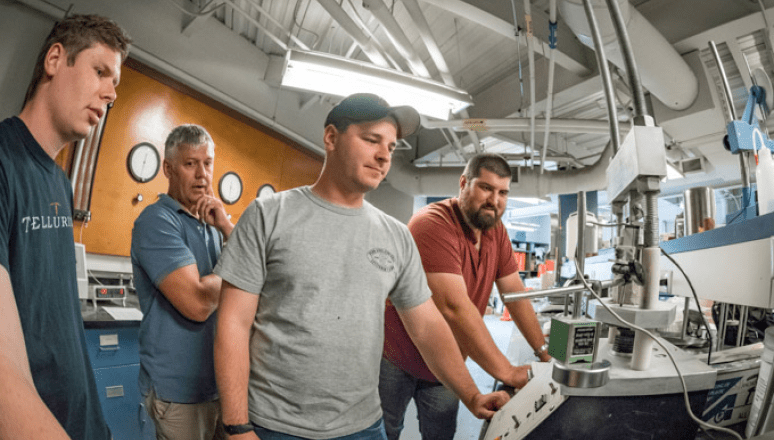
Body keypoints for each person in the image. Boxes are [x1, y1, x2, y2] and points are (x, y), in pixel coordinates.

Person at [213, 93, 509, 440]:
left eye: (391, 146)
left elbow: (428, 327)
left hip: (363, 428)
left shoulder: (396, 236)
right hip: (274, 426)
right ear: (331, 138)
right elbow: (233, 323)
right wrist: (237, 426)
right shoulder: (269, 216)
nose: (384, 155)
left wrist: (471, 394)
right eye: (371, 140)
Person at [0, 14, 131, 440]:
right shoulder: (3, 163)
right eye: (100, 71)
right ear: (56, 59)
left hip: (83, 419)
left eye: (115, 83)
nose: (110, 94)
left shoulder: (58, 179)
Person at [380, 152, 551, 440]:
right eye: (486, 188)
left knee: (441, 433)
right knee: (385, 431)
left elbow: (516, 295)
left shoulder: (497, 232)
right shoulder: (431, 224)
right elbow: (453, 307)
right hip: (397, 356)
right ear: (463, 183)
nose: (494, 200)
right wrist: (507, 372)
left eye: (502, 193)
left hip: (446, 361)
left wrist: (544, 353)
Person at [131, 124, 234, 440]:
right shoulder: (156, 221)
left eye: (208, 163)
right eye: (190, 164)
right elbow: (199, 303)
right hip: (178, 393)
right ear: (168, 169)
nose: (202, 175)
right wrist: (236, 269)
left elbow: (261, 278)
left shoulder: (213, 224)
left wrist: (228, 228)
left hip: (222, 385)